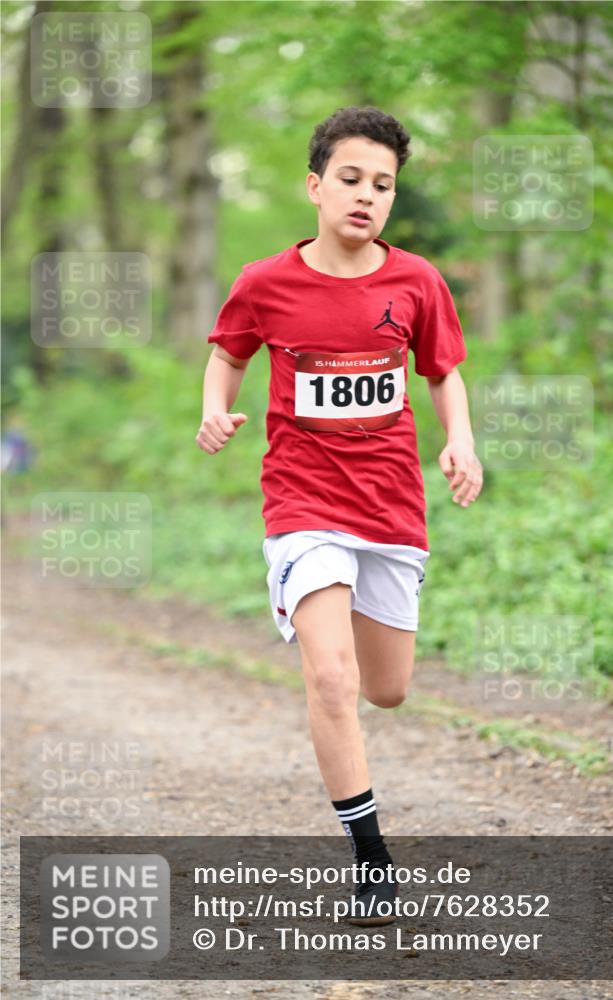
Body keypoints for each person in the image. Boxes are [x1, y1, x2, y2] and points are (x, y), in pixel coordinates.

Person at [196, 106, 483, 926]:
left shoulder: (416, 282)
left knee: (386, 690)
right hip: (302, 499)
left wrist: (459, 442)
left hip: (390, 502)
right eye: (350, 179)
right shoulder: (265, 281)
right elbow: (226, 354)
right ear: (315, 186)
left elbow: (444, 372)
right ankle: (372, 861)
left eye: (383, 185)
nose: (366, 196)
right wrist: (214, 411)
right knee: (331, 679)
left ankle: (355, 639)